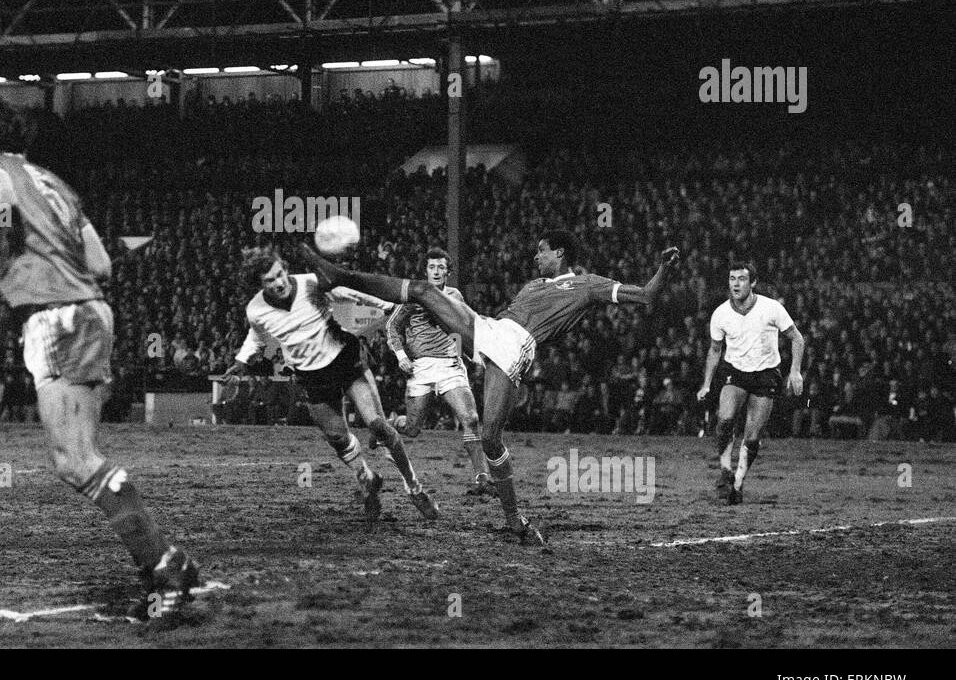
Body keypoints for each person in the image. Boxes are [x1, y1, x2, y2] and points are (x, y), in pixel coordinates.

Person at [0, 100, 199, 618]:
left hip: (57, 317)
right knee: (84, 456)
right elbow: (102, 264)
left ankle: (163, 564)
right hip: (94, 312)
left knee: (76, 462)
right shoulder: (57, 184)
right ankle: (163, 561)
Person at [303, 231, 679, 544]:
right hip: (491, 330)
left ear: (560, 253)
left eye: (542, 251)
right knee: (421, 290)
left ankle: (515, 520)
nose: (536, 256)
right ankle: (338, 275)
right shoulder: (535, 285)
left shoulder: (588, 285)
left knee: (491, 440)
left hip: (514, 347)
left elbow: (645, 295)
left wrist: (663, 268)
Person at [223, 247, 440, 524]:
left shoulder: (312, 283)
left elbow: (351, 292)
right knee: (337, 438)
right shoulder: (256, 310)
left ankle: (415, 489)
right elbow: (257, 336)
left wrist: (389, 305)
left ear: (284, 267)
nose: (278, 282)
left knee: (378, 425)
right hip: (311, 376)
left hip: (344, 358)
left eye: (279, 274)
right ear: (260, 284)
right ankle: (368, 478)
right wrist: (242, 360)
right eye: (270, 280)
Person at [386, 248, 494, 496]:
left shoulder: (455, 295)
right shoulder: (414, 294)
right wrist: (401, 356)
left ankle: (482, 479)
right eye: (432, 267)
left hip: (450, 367)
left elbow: (458, 328)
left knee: (471, 419)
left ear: (448, 272)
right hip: (421, 368)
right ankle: (390, 424)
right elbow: (392, 327)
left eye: (441, 268)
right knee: (412, 428)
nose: (436, 272)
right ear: (426, 270)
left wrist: (466, 354)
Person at [696, 262, 804, 505]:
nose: (735, 283)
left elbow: (796, 338)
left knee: (752, 437)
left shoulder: (771, 308)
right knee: (725, 418)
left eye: (742, 279)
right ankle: (725, 471)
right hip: (735, 372)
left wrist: (795, 371)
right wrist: (706, 384)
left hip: (766, 375)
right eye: (732, 278)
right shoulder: (721, 313)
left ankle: (737, 484)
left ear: (753, 283)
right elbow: (715, 350)